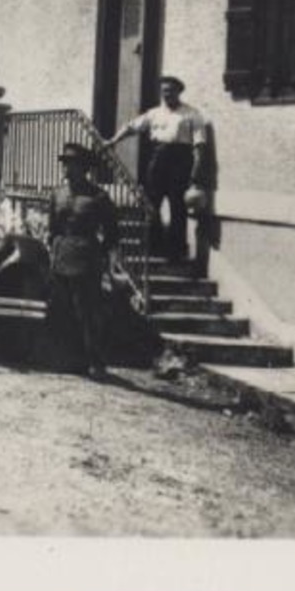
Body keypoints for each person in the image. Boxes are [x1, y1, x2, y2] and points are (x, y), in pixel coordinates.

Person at [107, 75, 209, 262]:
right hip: (158, 158)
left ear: (179, 91)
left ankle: (176, 250)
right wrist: (113, 141)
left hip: (180, 160)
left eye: (170, 90)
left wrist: (196, 170)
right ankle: (155, 246)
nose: (167, 94)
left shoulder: (192, 114)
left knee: (177, 205)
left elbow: (199, 146)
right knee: (151, 203)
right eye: (164, 91)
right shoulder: (154, 113)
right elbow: (131, 127)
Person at [48, 143, 118, 380]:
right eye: (66, 163)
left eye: (73, 164)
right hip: (61, 257)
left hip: (86, 260)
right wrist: (54, 250)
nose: (67, 168)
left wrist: (100, 255)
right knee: (61, 310)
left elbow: (112, 232)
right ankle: (67, 359)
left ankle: (95, 363)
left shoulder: (98, 197)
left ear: (84, 168)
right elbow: (52, 228)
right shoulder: (57, 194)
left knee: (87, 313)